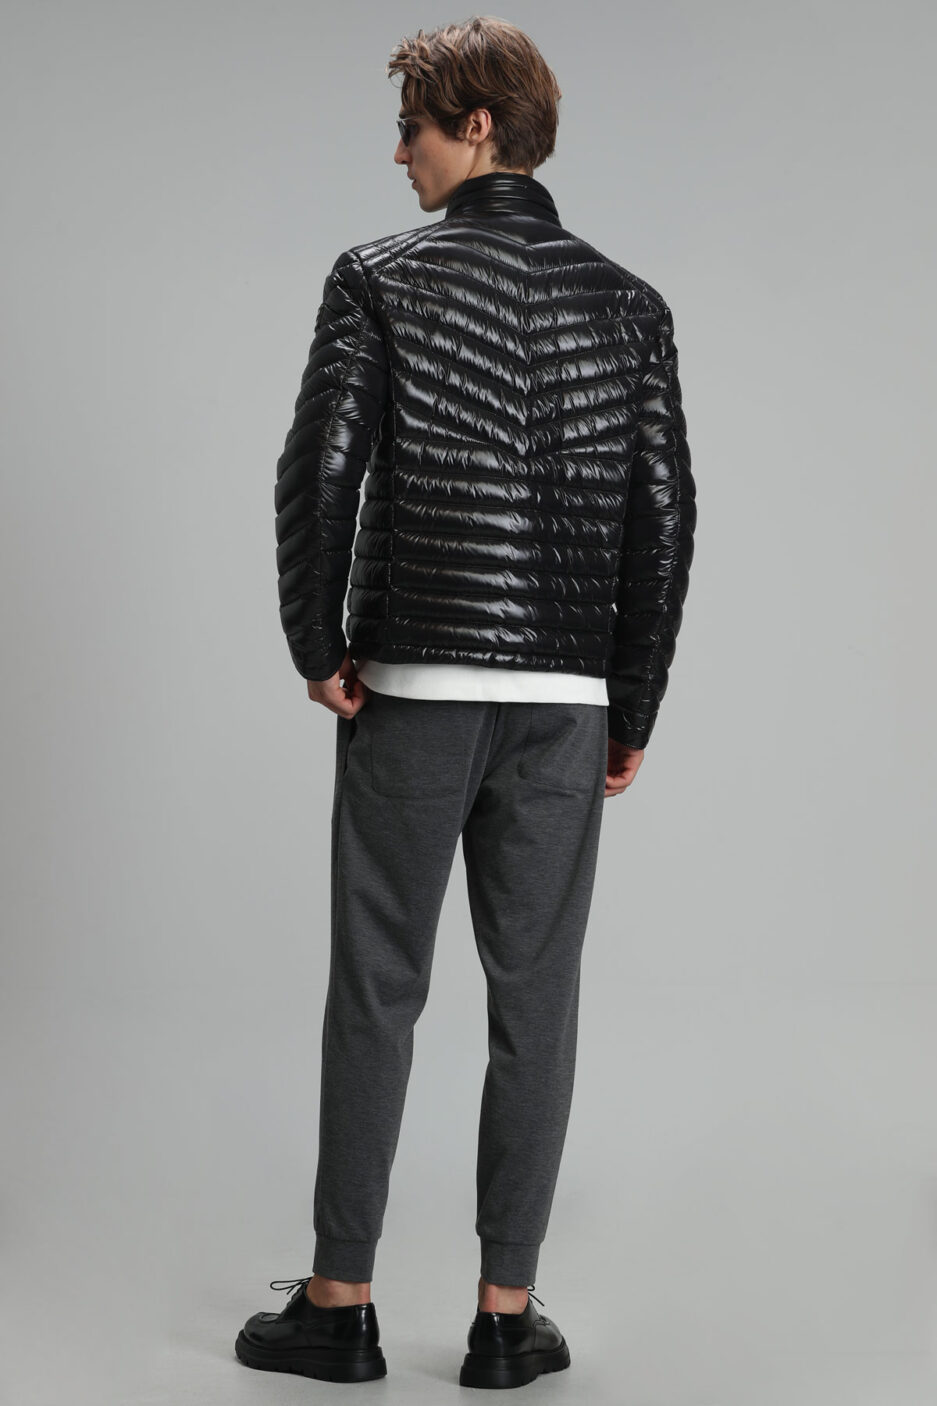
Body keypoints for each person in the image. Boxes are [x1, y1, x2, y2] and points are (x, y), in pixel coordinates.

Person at [235, 15, 696, 1390]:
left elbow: (319, 467)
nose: (400, 154)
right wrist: (631, 705)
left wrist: (318, 641)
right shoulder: (629, 304)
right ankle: (505, 1317)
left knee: (378, 985)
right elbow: (665, 521)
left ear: (477, 125)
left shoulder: (377, 277)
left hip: (415, 682)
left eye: (414, 128)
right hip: (564, 701)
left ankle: (339, 1303)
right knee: (535, 998)